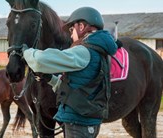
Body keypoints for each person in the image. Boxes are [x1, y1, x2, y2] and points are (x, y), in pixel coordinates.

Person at [22, 7, 118, 138]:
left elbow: (40, 60)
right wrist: (50, 78)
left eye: (72, 30)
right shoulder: (98, 50)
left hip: (78, 123)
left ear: (81, 26)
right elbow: (77, 89)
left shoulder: (84, 51)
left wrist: (26, 52)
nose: (71, 35)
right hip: (84, 120)